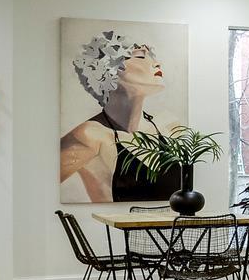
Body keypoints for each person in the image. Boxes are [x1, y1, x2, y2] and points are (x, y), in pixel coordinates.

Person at [59, 29, 172, 202]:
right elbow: (39, 183)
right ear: (108, 69)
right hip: (117, 226)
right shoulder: (89, 136)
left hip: (170, 227)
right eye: (141, 56)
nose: (157, 63)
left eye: (152, 55)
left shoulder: (169, 127)